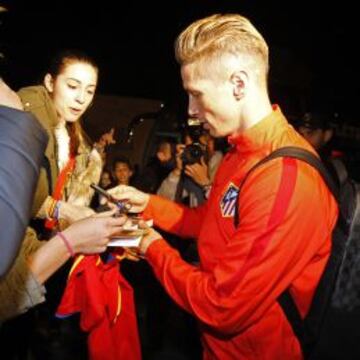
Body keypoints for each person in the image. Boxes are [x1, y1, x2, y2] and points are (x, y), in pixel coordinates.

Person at [108, 14, 338, 359]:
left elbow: (222, 306)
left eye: (196, 94)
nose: (191, 111)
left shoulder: (286, 178)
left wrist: (150, 246)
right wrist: (148, 204)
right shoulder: (240, 152)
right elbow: (209, 223)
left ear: (238, 84)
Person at [0, 78, 48, 276]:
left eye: (90, 91)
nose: (80, 98)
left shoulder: (72, 135)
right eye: (72, 86)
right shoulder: (28, 108)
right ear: (50, 82)